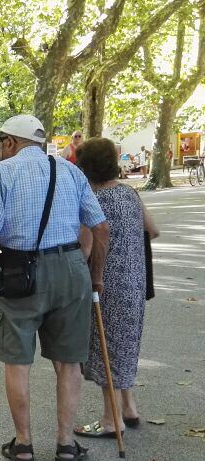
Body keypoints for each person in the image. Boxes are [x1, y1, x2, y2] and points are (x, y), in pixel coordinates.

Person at [0, 114, 110, 461]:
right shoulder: (70, 171)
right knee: (68, 361)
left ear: (11, 143)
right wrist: (94, 276)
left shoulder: (1, 174)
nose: (0, 149)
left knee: (17, 360)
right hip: (70, 268)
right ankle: (65, 444)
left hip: (18, 269)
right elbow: (100, 228)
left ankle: (24, 445)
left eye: (1, 142)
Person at [73, 138, 161, 439]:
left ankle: (111, 420)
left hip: (105, 285)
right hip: (135, 283)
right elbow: (154, 230)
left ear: (85, 169)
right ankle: (128, 406)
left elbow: (85, 250)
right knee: (124, 343)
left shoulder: (92, 201)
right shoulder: (130, 193)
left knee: (105, 349)